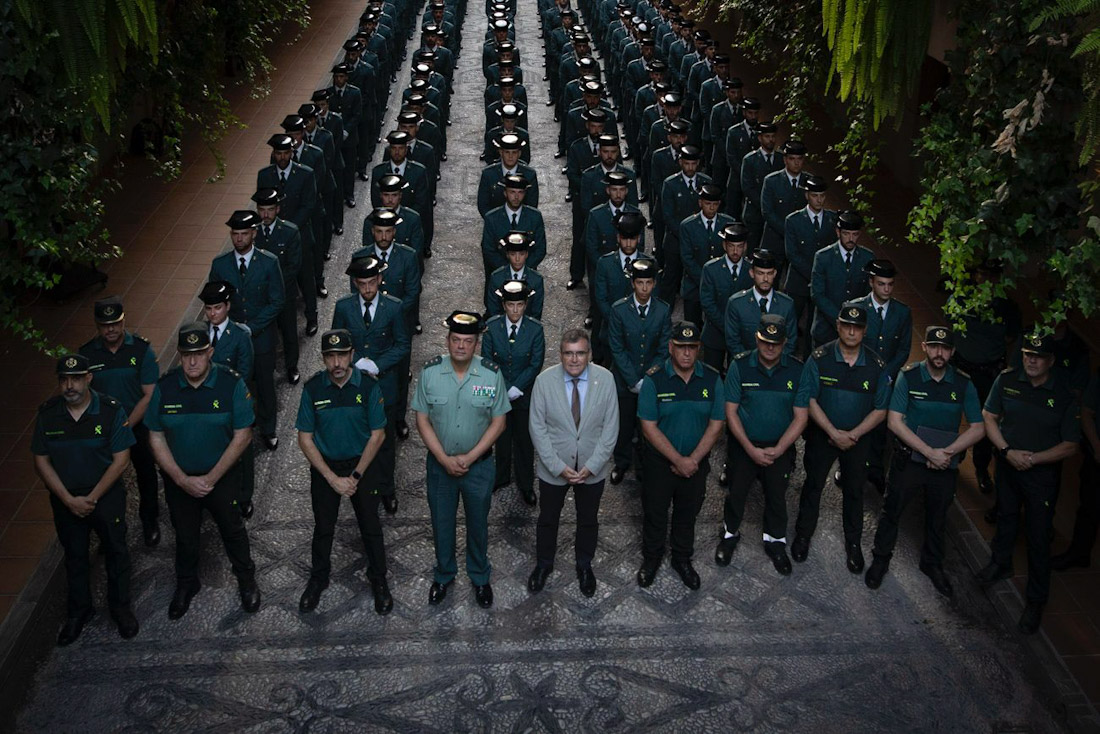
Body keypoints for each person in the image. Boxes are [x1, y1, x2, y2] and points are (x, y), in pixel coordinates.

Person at [145, 324, 260, 619]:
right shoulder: (166, 387)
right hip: (179, 480)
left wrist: (210, 478)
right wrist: (182, 479)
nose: (192, 361)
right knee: (184, 536)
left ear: (210, 352)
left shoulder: (230, 384)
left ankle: (246, 579)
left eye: (198, 354)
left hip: (220, 478)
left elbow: (242, 435)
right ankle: (186, 584)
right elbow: (155, 436)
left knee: (232, 530)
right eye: (186, 355)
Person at [865, 326, 985, 597]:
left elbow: (978, 427)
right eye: (933, 347)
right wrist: (929, 452)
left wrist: (947, 453)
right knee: (891, 511)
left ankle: (932, 564)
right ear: (926, 348)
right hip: (910, 460)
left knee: (937, 516)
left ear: (952, 352)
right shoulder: (908, 377)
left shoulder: (963, 383)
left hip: (945, 463)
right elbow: (895, 422)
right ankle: (880, 559)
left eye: (944, 348)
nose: (938, 353)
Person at [977, 333, 1081, 634]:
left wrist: (1033, 459)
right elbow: (989, 415)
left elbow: (1071, 445)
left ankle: (1036, 600)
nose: (1031, 360)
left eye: (1038, 357)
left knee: (1037, 536)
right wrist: (1007, 452)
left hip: (1041, 476)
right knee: (1006, 518)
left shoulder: (1063, 394)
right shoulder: (1008, 380)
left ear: (1050, 361)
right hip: (1009, 466)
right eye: (1026, 354)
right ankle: (1000, 563)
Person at [32, 354, 138, 645]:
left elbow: (121, 460)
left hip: (104, 497)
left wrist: (91, 498)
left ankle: (121, 608)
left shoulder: (110, 411)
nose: (70, 385)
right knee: (75, 557)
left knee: (116, 552)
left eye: (76, 378)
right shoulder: (48, 415)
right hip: (67, 501)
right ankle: (79, 612)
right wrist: (68, 499)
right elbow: (41, 461)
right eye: (64, 380)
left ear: (88, 378)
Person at [412, 312, 509, 608]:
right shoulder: (430, 373)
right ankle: (443, 575)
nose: (461, 347)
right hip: (440, 468)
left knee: (478, 524)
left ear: (477, 344)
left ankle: (480, 576)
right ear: (447, 341)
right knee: (442, 524)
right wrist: (443, 458)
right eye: (456, 340)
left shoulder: (492, 375)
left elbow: (499, 422)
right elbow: (422, 419)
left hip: (477, 468)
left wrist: (470, 456)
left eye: (468, 341)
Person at [295, 330, 392, 615]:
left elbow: (378, 435)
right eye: (330, 356)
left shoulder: (369, 387)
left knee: (371, 527)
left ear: (352, 355)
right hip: (327, 469)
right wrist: (332, 479)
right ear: (324, 358)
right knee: (323, 528)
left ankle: (379, 580)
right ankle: (318, 579)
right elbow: (305, 438)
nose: (336, 362)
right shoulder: (313, 389)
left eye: (342, 355)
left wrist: (356, 477)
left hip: (362, 466)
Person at [792, 302, 890, 573]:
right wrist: (833, 433)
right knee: (813, 486)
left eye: (857, 328)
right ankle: (803, 535)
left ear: (864, 331)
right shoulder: (819, 358)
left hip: (858, 442)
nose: (851, 332)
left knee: (854, 492)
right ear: (838, 326)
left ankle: (853, 544)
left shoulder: (876, 365)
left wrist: (853, 435)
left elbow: (881, 409)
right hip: (823, 437)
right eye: (846, 326)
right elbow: (809, 398)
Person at [527, 329, 619, 596]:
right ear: (561, 355)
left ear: (589, 355)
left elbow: (611, 428)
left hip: (593, 467)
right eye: (569, 353)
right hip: (554, 468)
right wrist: (557, 466)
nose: (575, 359)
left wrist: (593, 465)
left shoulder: (607, 380)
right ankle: (544, 564)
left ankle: (584, 565)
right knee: (548, 519)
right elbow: (537, 428)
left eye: (580, 353)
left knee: (588, 520)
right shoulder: (544, 382)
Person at [716, 314, 809, 576]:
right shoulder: (740, 366)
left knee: (777, 495)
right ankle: (729, 533)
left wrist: (779, 449)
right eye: (766, 342)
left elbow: (801, 416)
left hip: (779, 447)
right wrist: (749, 448)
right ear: (757, 339)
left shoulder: (796, 370)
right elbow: (730, 412)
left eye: (776, 343)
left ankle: (775, 540)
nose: (770, 348)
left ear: (785, 343)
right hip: (745, 446)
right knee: (736, 492)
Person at [636, 322, 725, 589]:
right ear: (671, 348)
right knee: (655, 513)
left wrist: (693, 460)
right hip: (659, 465)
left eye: (692, 348)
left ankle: (682, 559)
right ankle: (651, 558)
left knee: (688, 514)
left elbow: (716, 424)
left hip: (695, 465)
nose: (687, 353)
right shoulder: (654, 379)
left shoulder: (711, 378)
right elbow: (648, 426)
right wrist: (677, 460)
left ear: (698, 349)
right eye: (682, 347)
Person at [79, 296, 160, 546]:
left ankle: (150, 521)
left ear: (123, 320)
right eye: (105, 325)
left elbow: (149, 394)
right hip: (102, 430)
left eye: (115, 323)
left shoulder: (141, 349)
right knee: (107, 479)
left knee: (146, 474)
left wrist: (125, 425)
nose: (110, 329)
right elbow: (83, 396)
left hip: (138, 425)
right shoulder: (86, 355)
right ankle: (111, 530)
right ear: (97, 325)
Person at [332, 255, 408, 515]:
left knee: (384, 443)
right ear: (355, 283)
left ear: (379, 280)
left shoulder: (394, 307)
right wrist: (351, 365)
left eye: (371, 283)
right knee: (359, 439)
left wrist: (377, 364)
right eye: (362, 284)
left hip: (383, 385)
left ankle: (387, 489)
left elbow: (402, 345)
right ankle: (360, 486)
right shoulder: (343, 308)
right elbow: (335, 346)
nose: (367, 289)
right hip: (353, 386)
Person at [209, 210, 285, 451]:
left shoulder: (269, 262)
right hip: (231, 340)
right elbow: (214, 300)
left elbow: (277, 301)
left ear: (254, 233)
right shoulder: (220, 265)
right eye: (235, 234)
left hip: (260, 337)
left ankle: (268, 428)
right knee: (235, 384)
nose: (239, 239)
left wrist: (251, 328)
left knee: (264, 385)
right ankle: (237, 428)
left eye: (244, 234)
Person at [608, 259, 672, 484]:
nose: (644, 288)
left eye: (648, 283)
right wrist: (633, 379)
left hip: (651, 380)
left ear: (654, 284)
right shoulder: (619, 310)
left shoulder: (663, 310)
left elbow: (664, 348)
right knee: (624, 424)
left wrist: (649, 377)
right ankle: (622, 462)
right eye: (640, 283)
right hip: (625, 380)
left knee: (648, 425)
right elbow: (616, 347)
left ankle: (645, 466)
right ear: (633, 284)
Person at [481, 281, 546, 505]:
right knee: (500, 436)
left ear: (525, 305)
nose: (515, 310)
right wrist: (505, 388)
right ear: (504, 305)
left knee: (524, 441)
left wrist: (518, 387)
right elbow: (488, 362)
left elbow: (536, 362)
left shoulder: (536, 329)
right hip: (499, 393)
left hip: (524, 395)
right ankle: (500, 477)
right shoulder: (491, 327)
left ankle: (526, 483)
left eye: (519, 305)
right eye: (511, 305)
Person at [1052, 365, 1100, 570]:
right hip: (1097, 456)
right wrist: (1098, 448)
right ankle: (1079, 554)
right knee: (1089, 507)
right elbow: (1087, 412)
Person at [809, 210, 874, 348]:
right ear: (838, 233)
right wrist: (841, 319)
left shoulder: (867, 257)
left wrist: (854, 319)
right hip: (826, 329)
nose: (851, 238)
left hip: (855, 329)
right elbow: (817, 294)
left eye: (855, 234)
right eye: (846, 234)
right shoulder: (823, 257)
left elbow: (868, 294)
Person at [723, 249, 798, 357]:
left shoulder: (786, 304)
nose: (766, 279)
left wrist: (773, 363)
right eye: (760, 273)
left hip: (777, 368)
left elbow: (790, 341)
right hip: (745, 367)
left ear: (775, 274)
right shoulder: (737, 304)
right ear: (752, 273)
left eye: (769, 273)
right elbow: (733, 342)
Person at [699, 223, 753, 372]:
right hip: (715, 333)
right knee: (711, 376)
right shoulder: (711, 269)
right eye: (731, 246)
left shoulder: (751, 270)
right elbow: (707, 303)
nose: (735, 251)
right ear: (724, 245)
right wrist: (728, 326)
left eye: (740, 246)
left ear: (745, 246)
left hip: (741, 336)